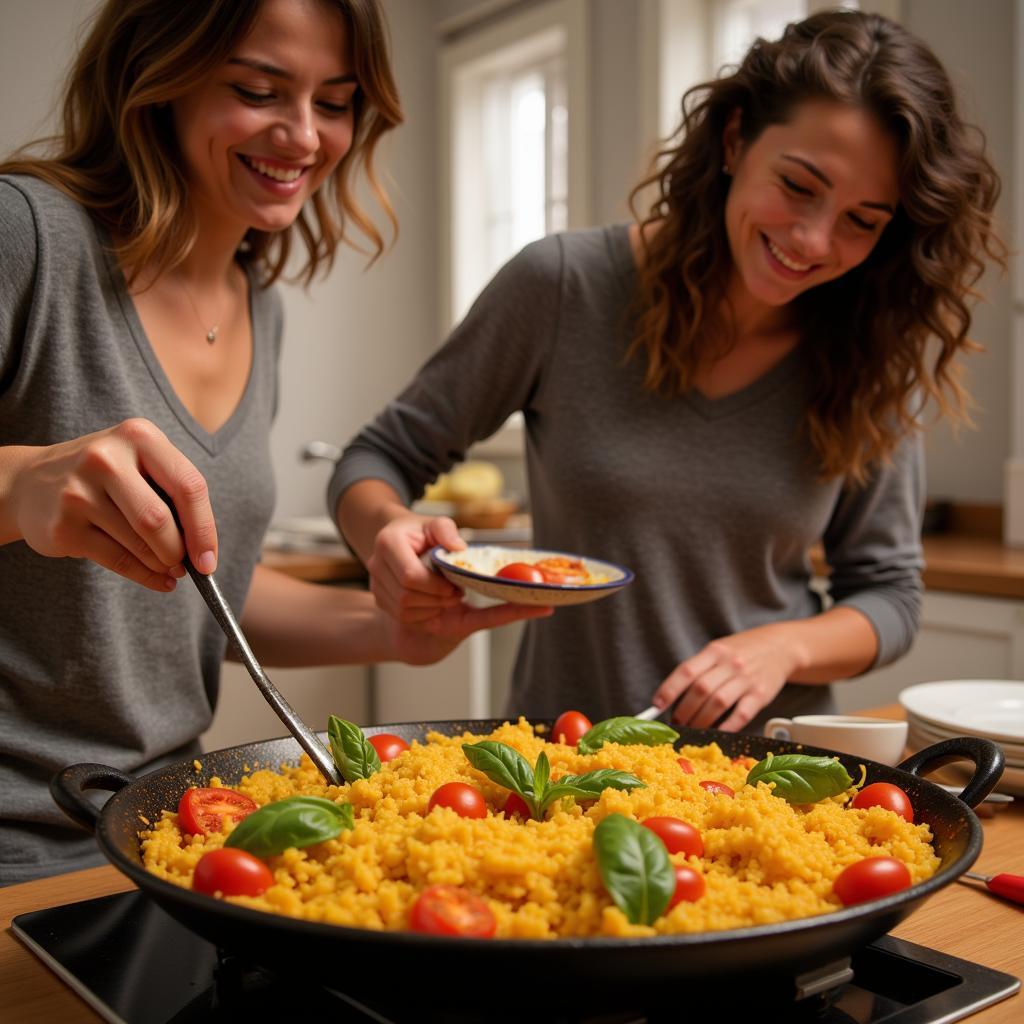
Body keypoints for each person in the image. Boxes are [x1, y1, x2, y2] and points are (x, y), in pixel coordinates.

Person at [332, 11, 1004, 736]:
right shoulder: (563, 287)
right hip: (564, 762)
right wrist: (389, 534)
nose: (814, 241)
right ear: (735, 138)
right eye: (799, 185)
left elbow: (889, 597)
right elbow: (378, 460)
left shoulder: (875, 353)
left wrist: (781, 648)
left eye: (862, 221)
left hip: (765, 783)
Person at [0, 0, 547, 886]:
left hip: (161, 832)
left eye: (334, 103)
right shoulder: (27, 235)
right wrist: (21, 485)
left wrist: (397, 628)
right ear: (158, 77)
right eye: (259, 91)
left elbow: (210, 595)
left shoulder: (261, 307)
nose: (303, 137)